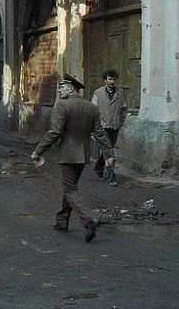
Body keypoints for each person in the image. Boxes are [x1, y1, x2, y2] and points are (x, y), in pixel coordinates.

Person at [30, 73, 114, 243]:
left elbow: (55, 131)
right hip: (83, 155)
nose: (60, 91)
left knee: (70, 189)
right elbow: (99, 133)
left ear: (71, 89)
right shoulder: (91, 107)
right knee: (70, 187)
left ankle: (89, 219)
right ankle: (62, 222)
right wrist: (109, 154)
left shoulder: (63, 106)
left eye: (62, 88)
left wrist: (38, 151)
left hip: (68, 154)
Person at [91, 69, 128, 187]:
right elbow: (93, 110)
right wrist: (95, 125)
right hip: (102, 126)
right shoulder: (98, 93)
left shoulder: (120, 93)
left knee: (108, 149)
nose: (112, 81)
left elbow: (124, 109)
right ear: (105, 80)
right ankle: (112, 176)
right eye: (109, 79)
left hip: (115, 126)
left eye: (114, 79)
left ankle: (98, 167)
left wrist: (120, 122)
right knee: (109, 151)